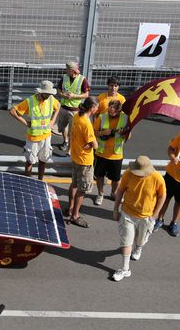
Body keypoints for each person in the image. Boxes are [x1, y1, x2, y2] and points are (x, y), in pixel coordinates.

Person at [112, 156, 166, 282]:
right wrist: (115, 209)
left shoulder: (157, 177)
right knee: (126, 241)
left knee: (140, 240)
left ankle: (139, 247)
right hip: (127, 214)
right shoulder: (128, 174)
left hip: (146, 216)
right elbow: (120, 191)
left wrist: (155, 215)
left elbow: (162, 196)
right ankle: (125, 269)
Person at [9, 80, 60, 180]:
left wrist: (52, 121)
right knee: (30, 161)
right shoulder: (30, 101)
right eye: (48, 93)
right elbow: (13, 111)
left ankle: (40, 180)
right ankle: (28, 182)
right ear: (41, 92)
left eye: (51, 93)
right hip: (33, 137)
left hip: (46, 136)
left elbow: (58, 107)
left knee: (43, 159)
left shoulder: (51, 99)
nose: (50, 95)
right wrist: (25, 122)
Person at [66, 96, 99, 228]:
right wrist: (92, 144)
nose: (97, 109)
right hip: (85, 160)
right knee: (82, 189)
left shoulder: (76, 117)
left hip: (75, 156)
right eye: (96, 107)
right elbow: (95, 145)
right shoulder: (86, 123)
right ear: (92, 108)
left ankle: (70, 208)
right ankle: (75, 215)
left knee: (74, 183)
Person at [93, 99, 130, 206]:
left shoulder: (125, 118)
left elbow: (128, 136)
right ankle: (100, 194)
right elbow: (93, 132)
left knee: (116, 178)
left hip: (116, 154)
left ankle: (114, 193)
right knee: (99, 176)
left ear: (119, 111)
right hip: (101, 153)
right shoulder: (102, 117)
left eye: (113, 113)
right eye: (109, 111)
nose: (110, 114)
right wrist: (102, 132)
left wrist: (125, 133)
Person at [56, 61, 90, 152]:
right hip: (63, 108)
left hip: (74, 110)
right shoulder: (64, 77)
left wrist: (74, 96)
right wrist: (62, 95)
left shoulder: (82, 79)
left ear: (72, 70)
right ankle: (65, 141)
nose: (66, 70)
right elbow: (58, 90)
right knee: (62, 127)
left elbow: (86, 94)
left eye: (67, 69)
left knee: (72, 131)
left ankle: (69, 149)